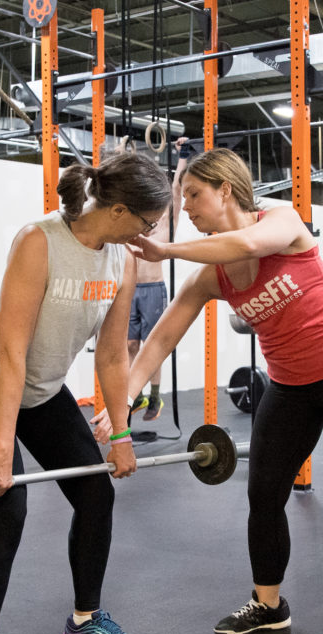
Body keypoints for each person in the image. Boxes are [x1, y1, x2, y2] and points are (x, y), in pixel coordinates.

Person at [101, 148, 323, 634]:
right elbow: (160, 341)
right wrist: (115, 406)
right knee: (264, 493)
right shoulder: (212, 275)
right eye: (182, 198)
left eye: (193, 194)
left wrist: (167, 252)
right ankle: (268, 604)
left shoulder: (281, 221)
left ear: (225, 190)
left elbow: (249, 242)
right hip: (291, 385)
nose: (185, 207)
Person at [0, 153, 171, 634]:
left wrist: (119, 437)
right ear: (117, 210)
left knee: (95, 493)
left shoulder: (123, 260)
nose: (149, 233)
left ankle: (85, 621)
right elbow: (12, 355)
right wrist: (0, 455)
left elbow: (112, 358)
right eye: (147, 222)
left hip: (40, 387)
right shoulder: (38, 242)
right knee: (8, 508)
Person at [128, 137, 190, 422]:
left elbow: (177, 189)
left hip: (154, 288)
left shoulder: (169, 220)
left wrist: (182, 156)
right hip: (130, 288)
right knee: (130, 344)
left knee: (151, 344)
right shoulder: (140, 219)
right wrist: (124, 155)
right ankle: (136, 394)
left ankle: (155, 396)